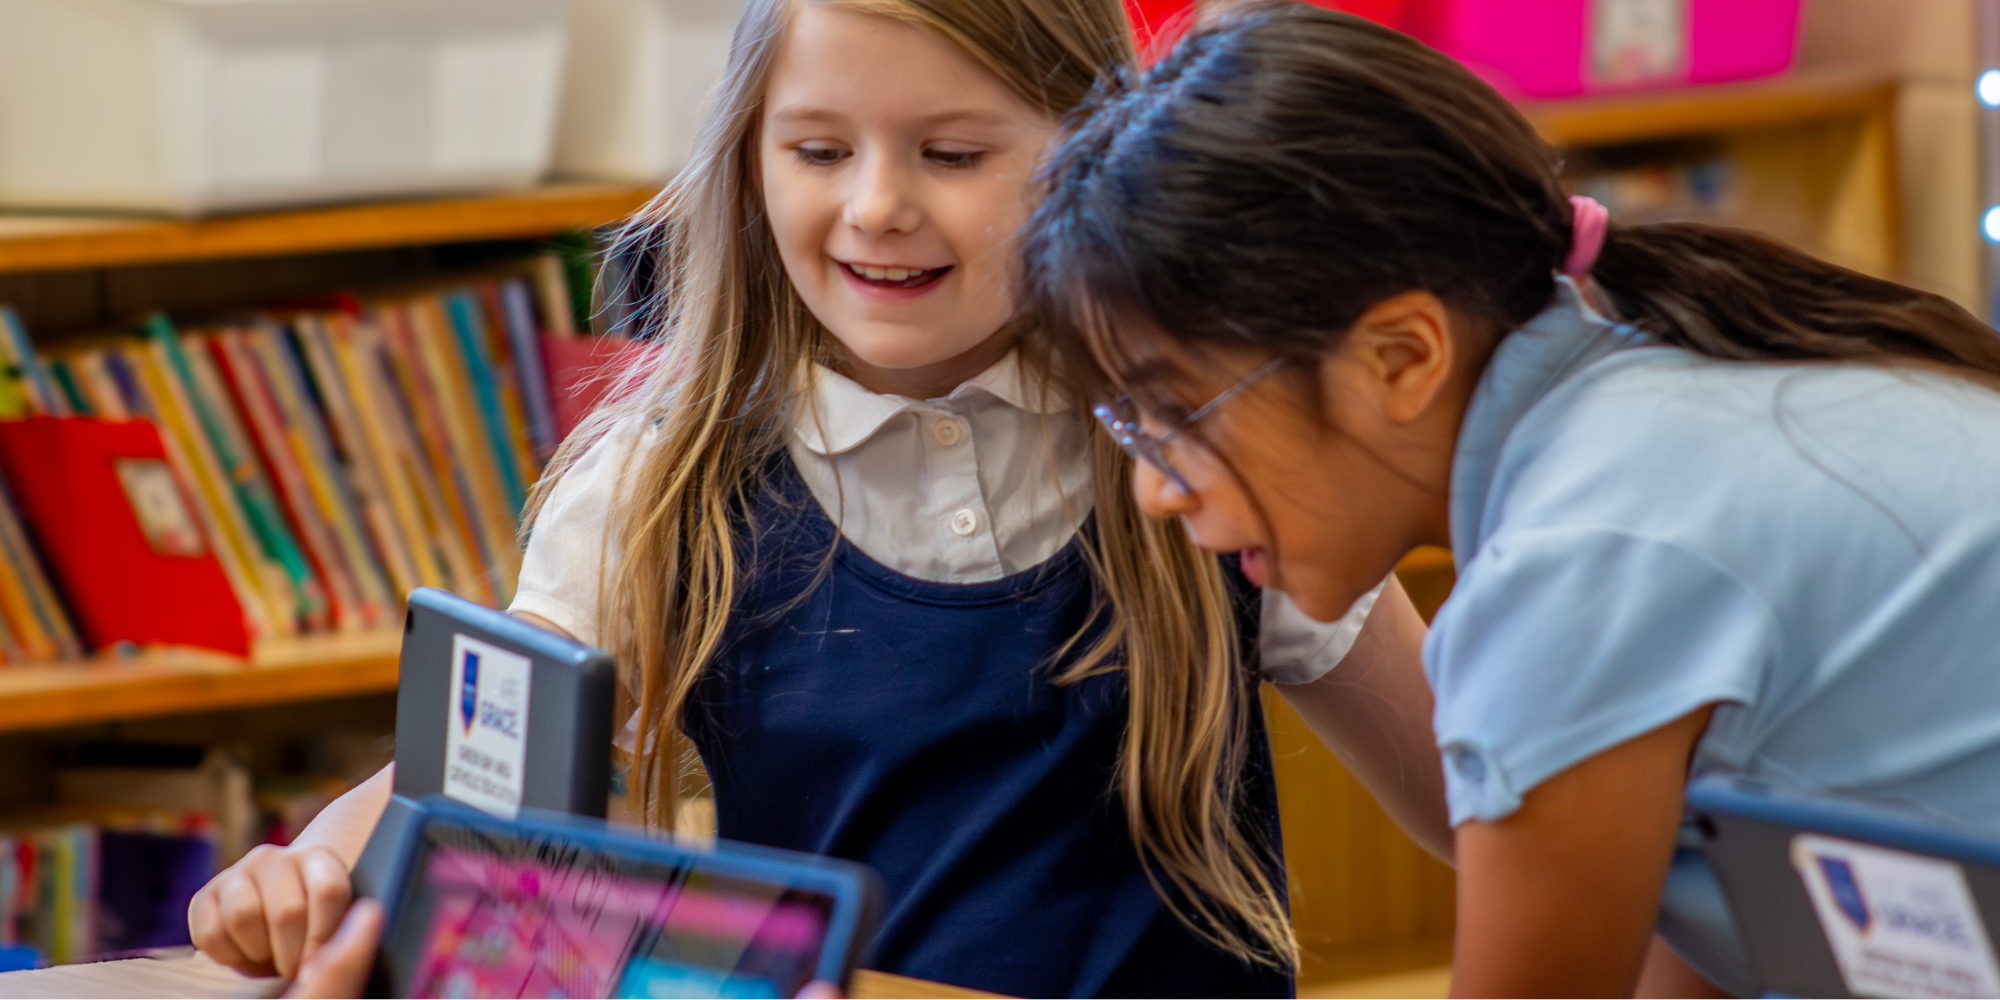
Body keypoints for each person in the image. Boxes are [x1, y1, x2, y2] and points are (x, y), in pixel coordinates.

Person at [188, 0, 1441, 995]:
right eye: (818, 150)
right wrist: (300, 873)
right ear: (747, 165)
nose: (877, 205)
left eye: (952, 152)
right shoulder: (659, 480)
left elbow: (1471, 791)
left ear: (1093, 158)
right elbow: (472, 780)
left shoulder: (1200, 443)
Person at [1021, 4, 2000, 997]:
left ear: (1400, 356)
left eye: (1176, 413)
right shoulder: (1655, 377)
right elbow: (1696, 926)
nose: (1151, 489)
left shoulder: (1569, 566)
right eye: (1128, 424)